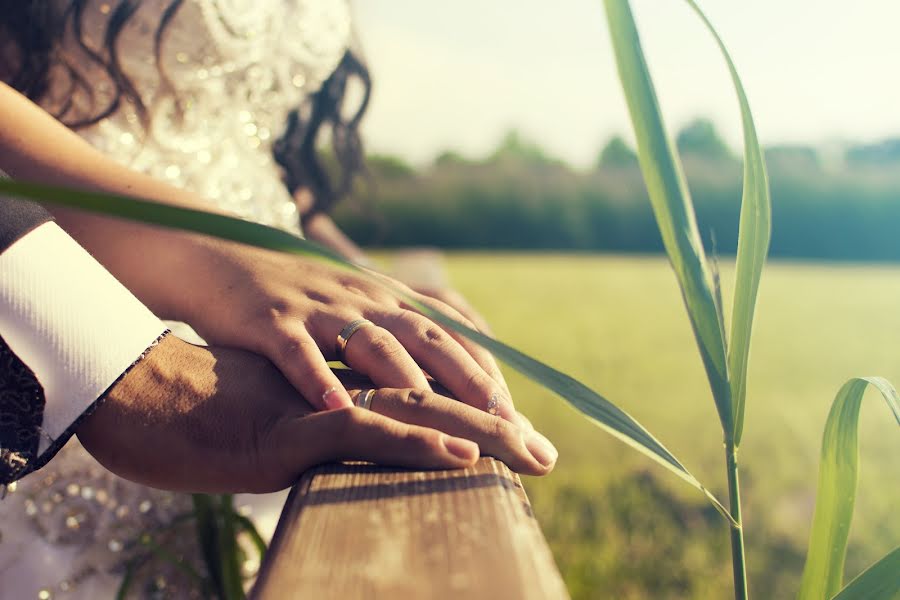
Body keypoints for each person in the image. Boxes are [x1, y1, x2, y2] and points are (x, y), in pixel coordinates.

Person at [0, 0, 557, 596]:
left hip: (265, 309)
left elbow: (252, 137)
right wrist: (199, 260)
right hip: (65, 296)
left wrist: (346, 272)